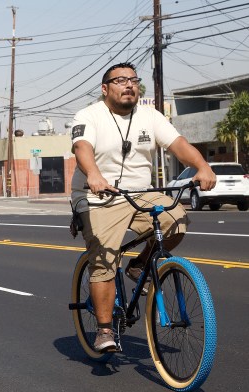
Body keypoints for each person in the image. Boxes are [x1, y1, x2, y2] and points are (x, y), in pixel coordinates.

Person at [70, 62, 216, 353]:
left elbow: (178, 144)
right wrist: (95, 175)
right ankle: (104, 329)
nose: (129, 85)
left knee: (177, 220)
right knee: (104, 260)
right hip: (99, 195)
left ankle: (138, 266)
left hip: (141, 193)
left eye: (133, 80)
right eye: (121, 80)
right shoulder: (88, 115)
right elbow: (81, 148)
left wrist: (202, 165)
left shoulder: (150, 116)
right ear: (105, 88)